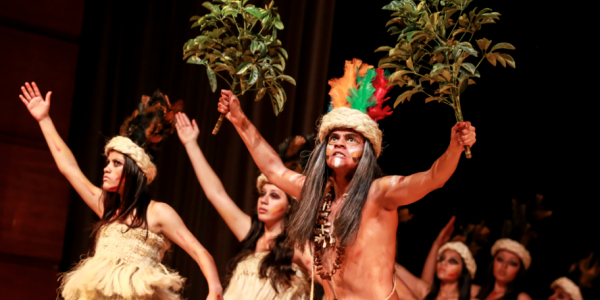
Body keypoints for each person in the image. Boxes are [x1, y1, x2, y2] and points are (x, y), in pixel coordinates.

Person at [216, 58, 477, 299]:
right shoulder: (316, 194)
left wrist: (453, 148)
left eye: (351, 139)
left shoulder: (379, 194)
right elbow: (273, 170)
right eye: (334, 138)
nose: (340, 144)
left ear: (366, 151)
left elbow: (432, 178)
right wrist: (240, 120)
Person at [18, 82, 222, 300]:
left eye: (116, 163)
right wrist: (44, 119)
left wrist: (214, 290)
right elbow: (69, 169)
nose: (106, 168)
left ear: (136, 171)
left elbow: (200, 252)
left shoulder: (158, 214)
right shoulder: (106, 206)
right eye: (108, 162)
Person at [175, 112, 309, 299]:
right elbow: (216, 194)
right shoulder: (251, 233)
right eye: (262, 194)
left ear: (289, 207)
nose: (264, 199)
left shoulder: (298, 247)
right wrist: (191, 144)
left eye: (275, 196)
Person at [395, 217, 479, 300]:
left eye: (452, 261)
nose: (443, 263)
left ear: (464, 270)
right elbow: (391, 267)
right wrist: (436, 244)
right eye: (441, 259)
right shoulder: (425, 292)